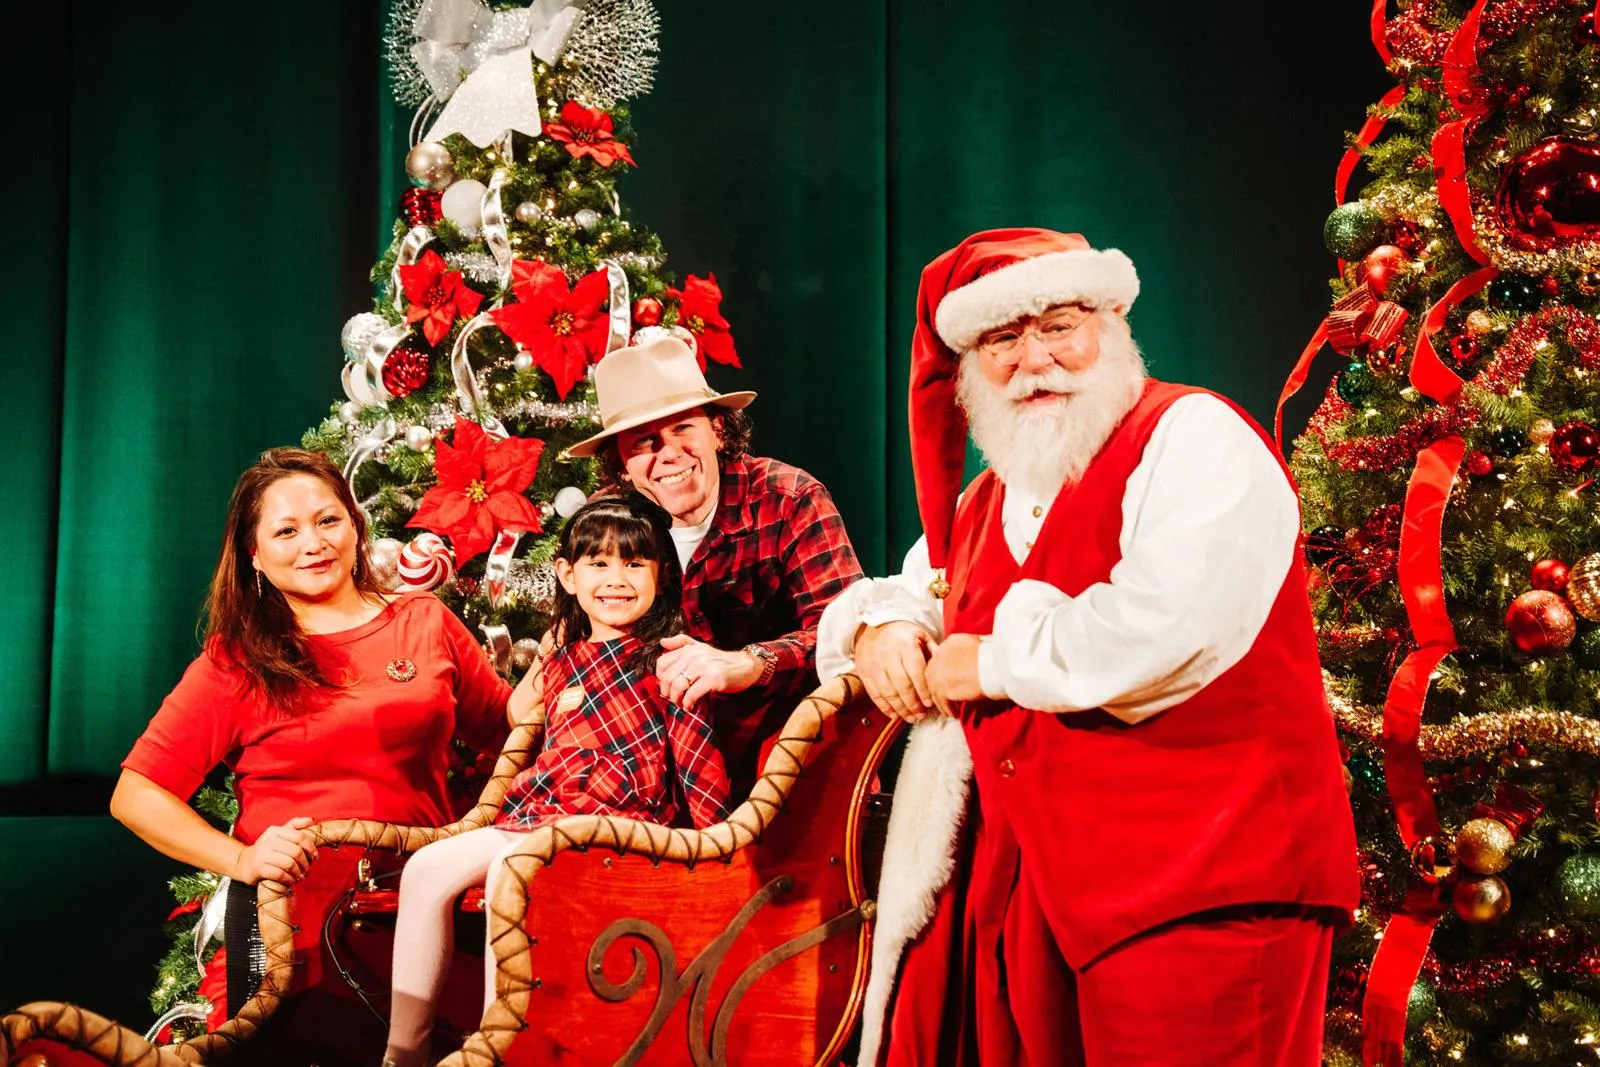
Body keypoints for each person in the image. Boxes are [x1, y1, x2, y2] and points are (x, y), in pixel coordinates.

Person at [816, 227, 1360, 1066]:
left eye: (1060, 324)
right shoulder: (987, 496)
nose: (1035, 358)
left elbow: (1164, 627)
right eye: (1002, 339)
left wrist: (985, 658)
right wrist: (880, 625)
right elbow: (927, 589)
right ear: (969, 367)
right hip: (1040, 900)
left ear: (1110, 325)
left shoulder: (1195, 437)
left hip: (1205, 884)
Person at [111, 447, 533, 1018]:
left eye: (328, 520)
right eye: (286, 531)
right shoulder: (236, 662)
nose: (314, 543)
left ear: (356, 528)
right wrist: (243, 861)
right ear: (254, 556)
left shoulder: (424, 620)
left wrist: (575, 662)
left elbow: (515, 735)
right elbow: (136, 796)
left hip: (427, 913)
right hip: (291, 928)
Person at [379, 493, 732, 1067]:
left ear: (661, 575)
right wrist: (553, 644)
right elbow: (522, 715)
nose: (616, 579)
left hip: (617, 826)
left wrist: (715, 847)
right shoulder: (563, 658)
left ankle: (498, 1045)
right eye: (598, 564)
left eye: (634, 564)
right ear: (567, 575)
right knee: (425, 869)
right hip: (539, 816)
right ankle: (404, 1051)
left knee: (508, 875)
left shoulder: (671, 655)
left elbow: (697, 756)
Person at [565, 333, 864, 792]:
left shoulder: (789, 500)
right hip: (645, 753)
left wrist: (748, 663)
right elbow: (580, 642)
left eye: (683, 428)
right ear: (621, 464)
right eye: (644, 442)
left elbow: (848, 634)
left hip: (781, 747)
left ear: (718, 430)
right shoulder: (609, 525)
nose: (668, 454)